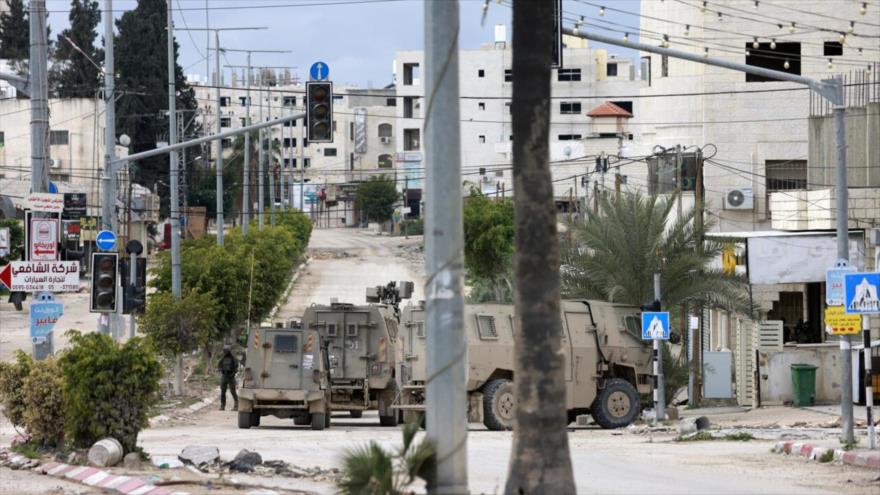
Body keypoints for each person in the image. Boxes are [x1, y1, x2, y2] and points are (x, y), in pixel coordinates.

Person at [217, 345, 239, 411]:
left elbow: (236, 368)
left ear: (229, 351)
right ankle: (222, 406)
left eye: (226, 351)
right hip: (224, 376)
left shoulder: (234, 359)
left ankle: (236, 405)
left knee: (233, 391)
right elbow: (219, 366)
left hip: (231, 377)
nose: (225, 352)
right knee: (223, 392)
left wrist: (233, 373)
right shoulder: (222, 359)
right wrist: (220, 369)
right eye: (224, 351)